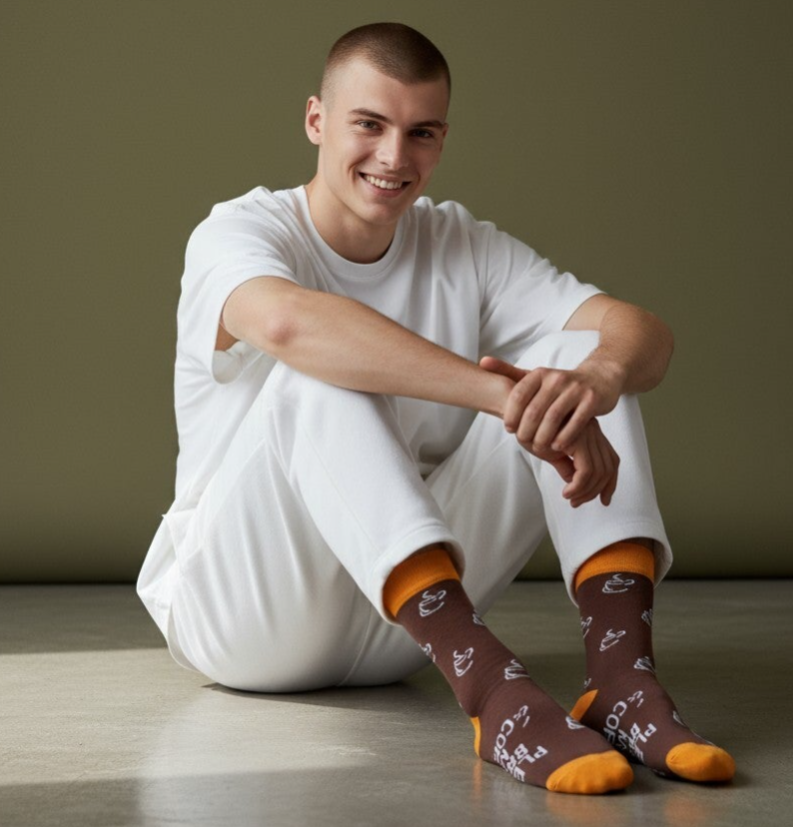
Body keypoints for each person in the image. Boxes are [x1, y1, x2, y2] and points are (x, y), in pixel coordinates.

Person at [136, 21, 735, 794]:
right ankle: (496, 696)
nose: (394, 156)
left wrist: (596, 378)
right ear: (316, 120)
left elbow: (640, 332)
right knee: (315, 372)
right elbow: (287, 324)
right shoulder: (240, 230)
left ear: (442, 139)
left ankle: (621, 683)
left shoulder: (461, 244)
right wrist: (499, 392)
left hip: (405, 627)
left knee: (571, 366)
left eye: (420, 132)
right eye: (369, 125)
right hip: (244, 618)